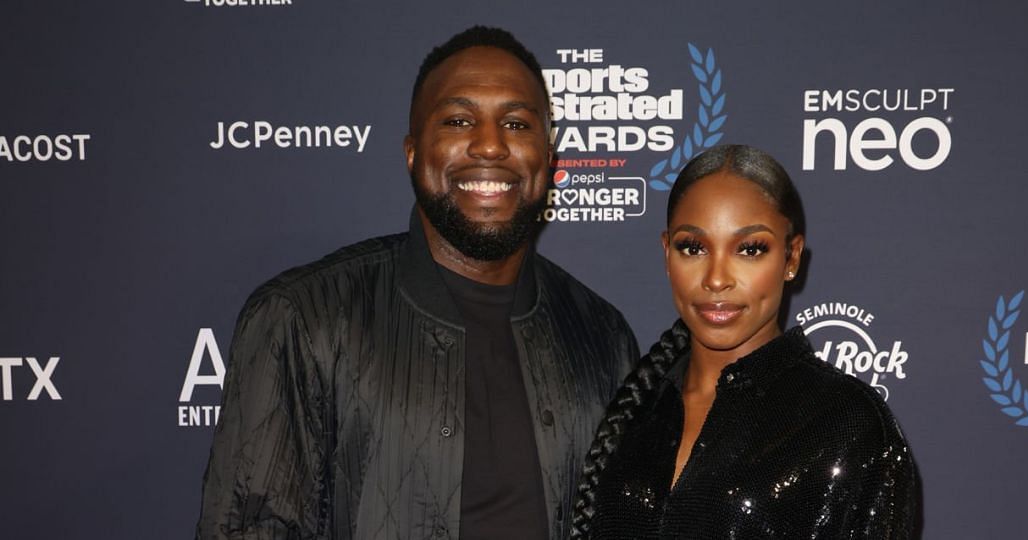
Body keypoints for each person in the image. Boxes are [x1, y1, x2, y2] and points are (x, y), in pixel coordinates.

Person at [196, 26, 639, 540]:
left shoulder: (601, 336)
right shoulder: (303, 318)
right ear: (412, 152)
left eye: (517, 124)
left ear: (550, 157)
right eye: (458, 120)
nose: (491, 145)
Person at [571, 145, 916, 539]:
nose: (717, 278)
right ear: (668, 255)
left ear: (791, 258)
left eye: (750, 249)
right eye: (693, 247)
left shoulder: (847, 423)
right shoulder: (636, 410)